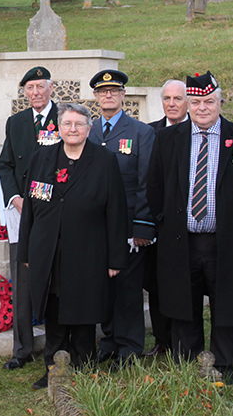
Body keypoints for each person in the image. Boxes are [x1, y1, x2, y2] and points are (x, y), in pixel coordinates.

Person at [147, 71, 233, 384]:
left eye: (210, 101)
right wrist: (166, 223)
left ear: (221, 103)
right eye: (197, 101)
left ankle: (226, 369)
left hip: (227, 242)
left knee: (227, 308)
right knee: (182, 307)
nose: (203, 107)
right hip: (181, 240)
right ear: (188, 104)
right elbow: (155, 186)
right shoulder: (167, 139)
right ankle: (188, 369)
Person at [19, 102, 128, 391]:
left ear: (89, 129)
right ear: (59, 127)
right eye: (67, 124)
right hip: (48, 252)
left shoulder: (105, 160)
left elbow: (117, 211)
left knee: (84, 314)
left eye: (79, 124)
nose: (73, 129)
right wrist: (26, 251)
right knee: (53, 315)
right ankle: (53, 370)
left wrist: (116, 258)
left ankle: (84, 367)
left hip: (88, 252)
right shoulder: (41, 158)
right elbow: (29, 209)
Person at [86, 70, 156, 369]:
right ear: (96, 97)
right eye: (103, 92)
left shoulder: (141, 132)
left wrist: (142, 224)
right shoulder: (88, 131)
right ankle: (110, 341)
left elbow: (147, 182)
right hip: (96, 227)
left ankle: (130, 347)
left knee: (128, 289)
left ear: (123, 95)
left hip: (128, 227)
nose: (108, 96)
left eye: (114, 91)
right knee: (105, 287)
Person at [0, 66, 60, 371]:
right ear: (24, 92)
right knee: (21, 282)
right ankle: (21, 348)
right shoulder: (16, 122)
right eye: (30, 88)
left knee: (58, 280)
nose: (35, 92)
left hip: (57, 212)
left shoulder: (65, 118)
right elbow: (5, 164)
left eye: (41, 86)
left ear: (51, 89)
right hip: (22, 210)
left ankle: (60, 346)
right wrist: (15, 198)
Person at [143, 78, 189, 357]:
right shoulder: (150, 133)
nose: (172, 104)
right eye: (167, 99)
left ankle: (185, 341)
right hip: (158, 221)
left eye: (178, 99)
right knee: (157, 283)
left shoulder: (199, 132)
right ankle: (162, 340)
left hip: (188, 223)